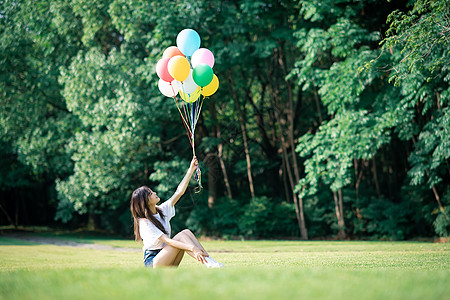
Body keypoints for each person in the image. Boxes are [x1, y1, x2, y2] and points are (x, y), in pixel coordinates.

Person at [130, 156, 223, 268]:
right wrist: (193, 248)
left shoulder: (161, 210)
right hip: (153, 262)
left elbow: (179, 192)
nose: (154, 192)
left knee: (186, 232)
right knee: (180, 237)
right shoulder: (145, 223)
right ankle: (210, 264)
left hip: (166, 255)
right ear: (145, 202)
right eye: (150, 193)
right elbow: (169, 241)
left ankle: (211, 262)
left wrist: (191, 170)